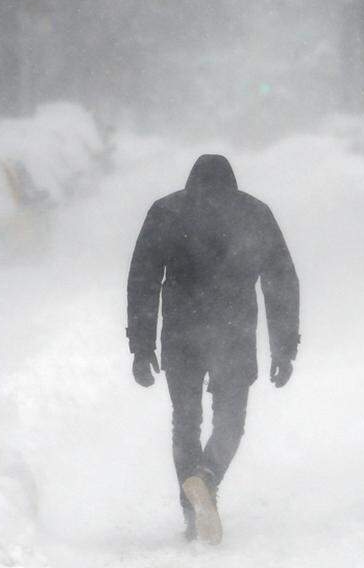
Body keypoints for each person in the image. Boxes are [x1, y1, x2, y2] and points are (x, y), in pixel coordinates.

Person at [126, 154, 300, 544]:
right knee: (230, 423)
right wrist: (284, 348)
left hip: (181, 333)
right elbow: (280, 281)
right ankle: (207, 477)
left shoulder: (167, 212)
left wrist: (141, 346)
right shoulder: (255, 214)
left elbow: (143, 280)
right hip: (234, 332)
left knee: (185, 421)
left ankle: (192, 510)